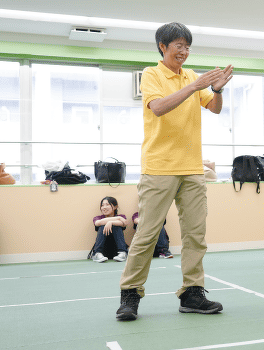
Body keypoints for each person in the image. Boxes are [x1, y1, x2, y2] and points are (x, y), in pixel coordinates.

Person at [116, 22, 233, 321]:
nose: (184, 51)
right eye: (178, 45)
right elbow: (158, 107)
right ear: (162, 47)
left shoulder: (192, 77)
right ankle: (130, 294)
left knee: (196, 235)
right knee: (147, 234)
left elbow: (215, 108)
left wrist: (216, 90)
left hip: (193, 169)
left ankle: (192, 293)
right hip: (159, 168)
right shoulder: (152, 74)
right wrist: (194, 86)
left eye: (187, 46)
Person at [91, 196, 128, 263]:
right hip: (102, 250)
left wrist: (111, 222)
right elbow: (97, 223)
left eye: (107, 205)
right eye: (102, 205)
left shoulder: (122, 216)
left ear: (115, 207)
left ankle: (123, 253)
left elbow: (124, 223)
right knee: (102, 224)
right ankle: (97, 254)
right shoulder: (97, 218)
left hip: (117, 249)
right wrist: (118, 218)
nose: (104, 207)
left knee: (116, 225)